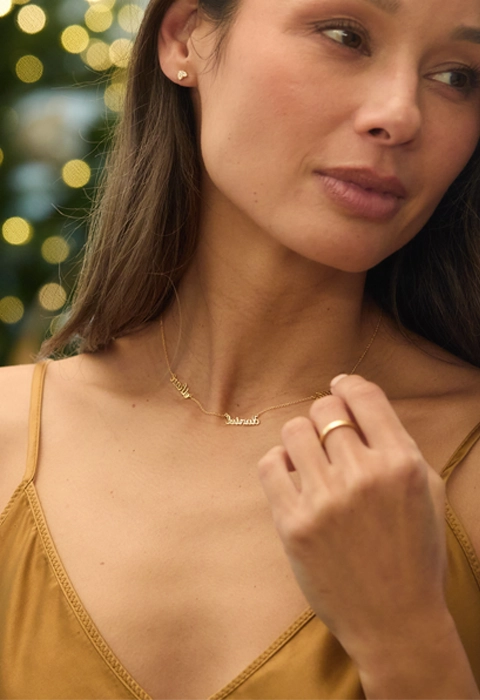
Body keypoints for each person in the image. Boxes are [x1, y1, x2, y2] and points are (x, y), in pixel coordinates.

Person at [1, 0, 480, 697]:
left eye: (458, 76)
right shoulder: (11, 437)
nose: (400, 113)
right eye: (345, 36)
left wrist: (406, 640)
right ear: (184, 35)